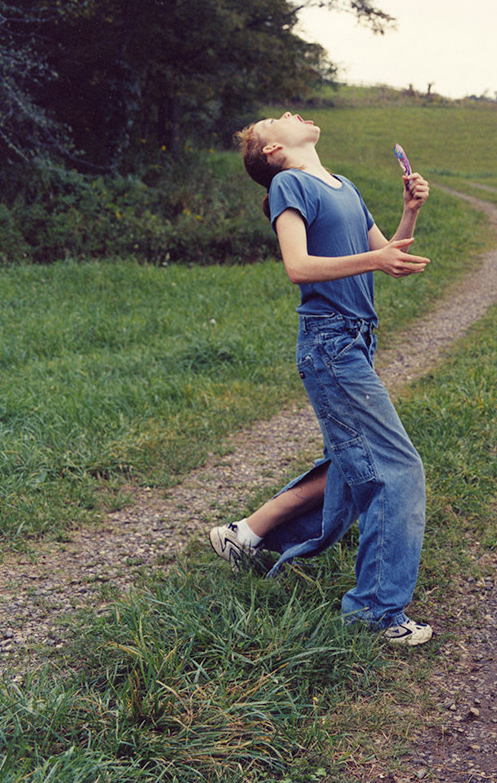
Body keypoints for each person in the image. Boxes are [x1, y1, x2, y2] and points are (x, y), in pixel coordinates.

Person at [207, 110, 435, 646]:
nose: (289, 113)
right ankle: (376, 612)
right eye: (273, 120)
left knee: (354, 464)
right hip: (330, 342)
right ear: (273, 151)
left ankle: (247, 535)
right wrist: (375, 258)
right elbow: (298, 267)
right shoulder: (290, 184)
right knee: (395, 469)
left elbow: (389, 254)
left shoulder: (344, 186)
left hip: (356, 340)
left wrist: (409, 213)